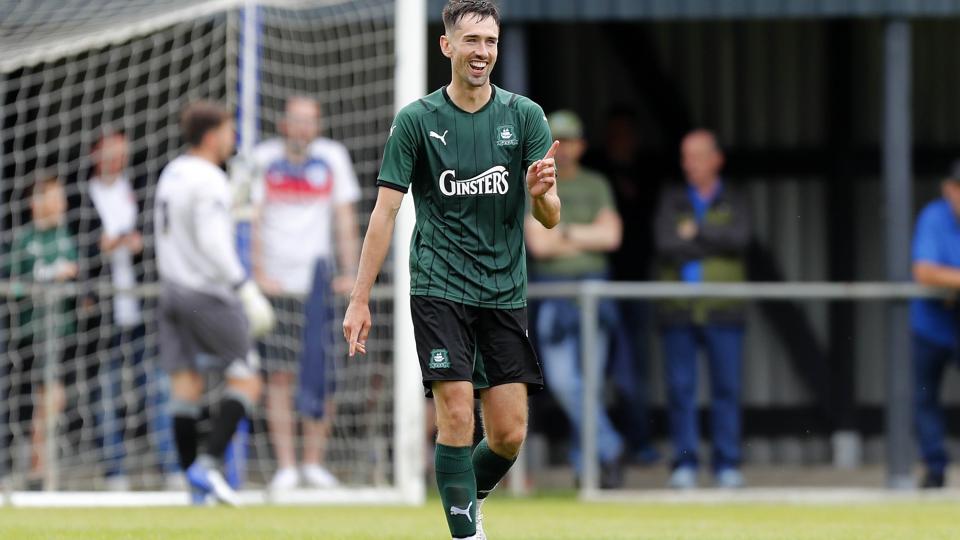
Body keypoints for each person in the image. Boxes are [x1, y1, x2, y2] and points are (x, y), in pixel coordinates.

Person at [342, 1, 560, 538]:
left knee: (508, 434)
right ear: (448, 47)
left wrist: (541, 194)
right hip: (438, 287)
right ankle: (465, 532)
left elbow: (551, 219)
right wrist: (360, 297)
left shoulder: (525, 117)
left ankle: (464, 496)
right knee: (457, 417)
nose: (482, 51)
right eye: (471, 41)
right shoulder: (417, 121)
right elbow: (385, 211)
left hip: (504, 291)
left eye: (490, 41)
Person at [154, 100, 273, 505]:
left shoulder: (173, 172)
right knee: (248, 379)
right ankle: (207, 464)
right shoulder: (208, 180)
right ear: (211, 136)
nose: (233, 138)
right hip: (206, 293)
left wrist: (232, 203)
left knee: (185, 388)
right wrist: (245, 288)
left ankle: (194, 488)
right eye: (228, 130)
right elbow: (212, 242)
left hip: (171, 289)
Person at [251, 96, 361, 491]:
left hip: (320, 288)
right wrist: (258, 272)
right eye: (296, 120)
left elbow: (343, 218)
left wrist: (351, 274)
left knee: (324, 375)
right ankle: (286, 466)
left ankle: (313, 462)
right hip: (278, 287)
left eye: (310, 121)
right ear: (284, 124)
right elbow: (253, 218)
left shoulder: (333, 157)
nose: (302, 128)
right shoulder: (262, 159)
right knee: (278, 377)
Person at [525, 110, 626, 488]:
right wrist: (586, 235)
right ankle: (611, 448)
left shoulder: (597, 183)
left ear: (582, 145)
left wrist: (562, 233)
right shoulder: (536, 181)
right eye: (557, 142)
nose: (563, 151)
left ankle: (588, 471)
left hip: (594, 299)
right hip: (556, 300)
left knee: (592, 387)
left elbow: (612, 238)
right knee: (567, 384)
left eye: (570, 142)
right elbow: (538, 245)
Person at [80, 132, 179, 490]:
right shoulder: (82, 196)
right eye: (110, 154)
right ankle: (115, 473)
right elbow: (78, 247)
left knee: (157, 389)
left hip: (141, 308)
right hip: (100, 314)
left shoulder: (141, 189)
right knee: (104, 393)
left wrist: (138, 244)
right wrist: (97, 249)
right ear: (95, 154)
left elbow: (160, 239)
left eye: (122, 154)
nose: (116, 160)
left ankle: (170, 468)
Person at [654, 129, 750, 489]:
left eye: (695, 156)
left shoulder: (734, 198)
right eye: (684, 157)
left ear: (716, 159)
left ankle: (727, 464)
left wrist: (695, 234)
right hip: (679, 310)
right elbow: (665, 244)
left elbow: (739, 240)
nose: (688, 164)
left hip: (724, 310)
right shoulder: (673, 198)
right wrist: (710, 240)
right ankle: (685, 465)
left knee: (727, 389)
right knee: (681, 390)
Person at [3, 172, 76, 487]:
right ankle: (36, 467)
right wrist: (44, 278)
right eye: (54, 196)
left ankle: (40, 467)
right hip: (29, 334)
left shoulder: (65, 235)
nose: (61, 203)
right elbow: (12, 282)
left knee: (53, 400)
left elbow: (75, 271)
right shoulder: (24, 240)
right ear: (38, 201)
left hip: (62, 332)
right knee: (37, 402)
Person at [910, 161, 960, 489]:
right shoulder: (933, 217)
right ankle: (935, 467)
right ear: (949, 189)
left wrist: (950, 282)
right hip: (930, 325)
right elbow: (924, 272)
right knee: (924, 398)